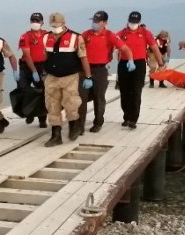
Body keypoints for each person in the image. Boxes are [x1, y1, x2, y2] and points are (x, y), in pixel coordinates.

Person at [42, 12, 93, 146]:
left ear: (64, 24)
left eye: (57, 25)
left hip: (70, 76)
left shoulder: (76, 38)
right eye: (53, 25)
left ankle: (73, 126)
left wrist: (88, 76)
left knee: (71, 104)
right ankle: (56, 135)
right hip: (52, 77)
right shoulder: (46, 37)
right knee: (52, 106)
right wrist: (43, 72)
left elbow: (83, 57)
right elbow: (45, 56)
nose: (55, 28)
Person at [80, 11, 133, 134]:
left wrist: (130, 60)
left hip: (100, 70)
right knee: (81, 98)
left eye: (98, 21)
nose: (95, 23)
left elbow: (125, 48)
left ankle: (98, 122)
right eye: (93, 21)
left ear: (105, 23)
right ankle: (79, 125)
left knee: (99, 97)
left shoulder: (110, 35)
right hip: (84, 69)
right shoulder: (86, 34)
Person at [116, 11, 163, 129]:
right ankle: (126, 116)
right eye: (131, 21)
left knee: (136, 91)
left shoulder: (146, 33)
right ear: (128, 20)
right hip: (124, 63)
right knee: (124, 91)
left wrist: (161, 63)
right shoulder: (122, 33)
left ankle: (133, 118)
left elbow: (155, 48)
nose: (133, 24)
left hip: (139, 63)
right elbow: (111, 44)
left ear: (139, 22)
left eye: (135, 22)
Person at [17, 12, 48, 128]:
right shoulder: (25, 36)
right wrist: (34, 71)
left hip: (42, 67)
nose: (35, 23)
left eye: (37, 21)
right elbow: (27, 55)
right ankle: (29, 112)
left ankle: (42, 119)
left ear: (42, 22)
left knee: (42, 93)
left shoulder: (47, 35)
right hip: (27, 67)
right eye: (33, 21)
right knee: (24, 91)